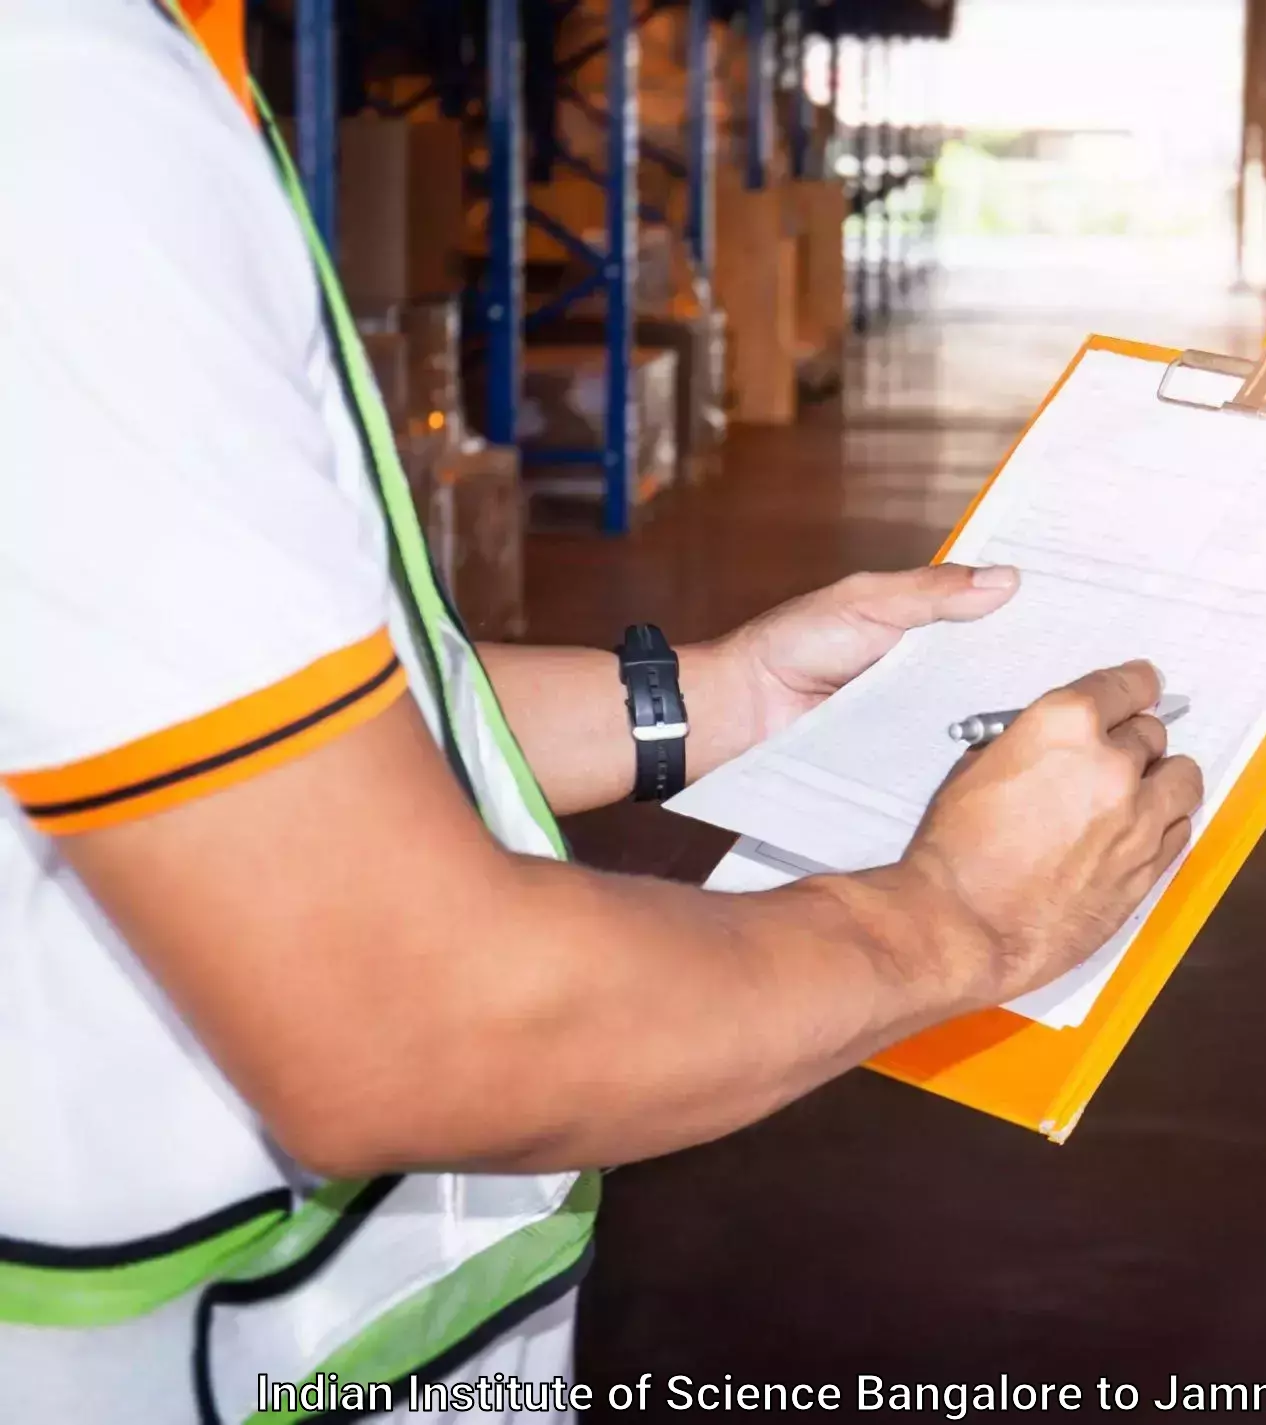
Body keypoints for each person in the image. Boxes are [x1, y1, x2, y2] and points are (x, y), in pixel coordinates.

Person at [0, 1, 1203, 1419]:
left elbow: (205, 717)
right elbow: (413, 1023)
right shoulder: (62, 109)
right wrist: (955, 921)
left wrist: (729, 697)